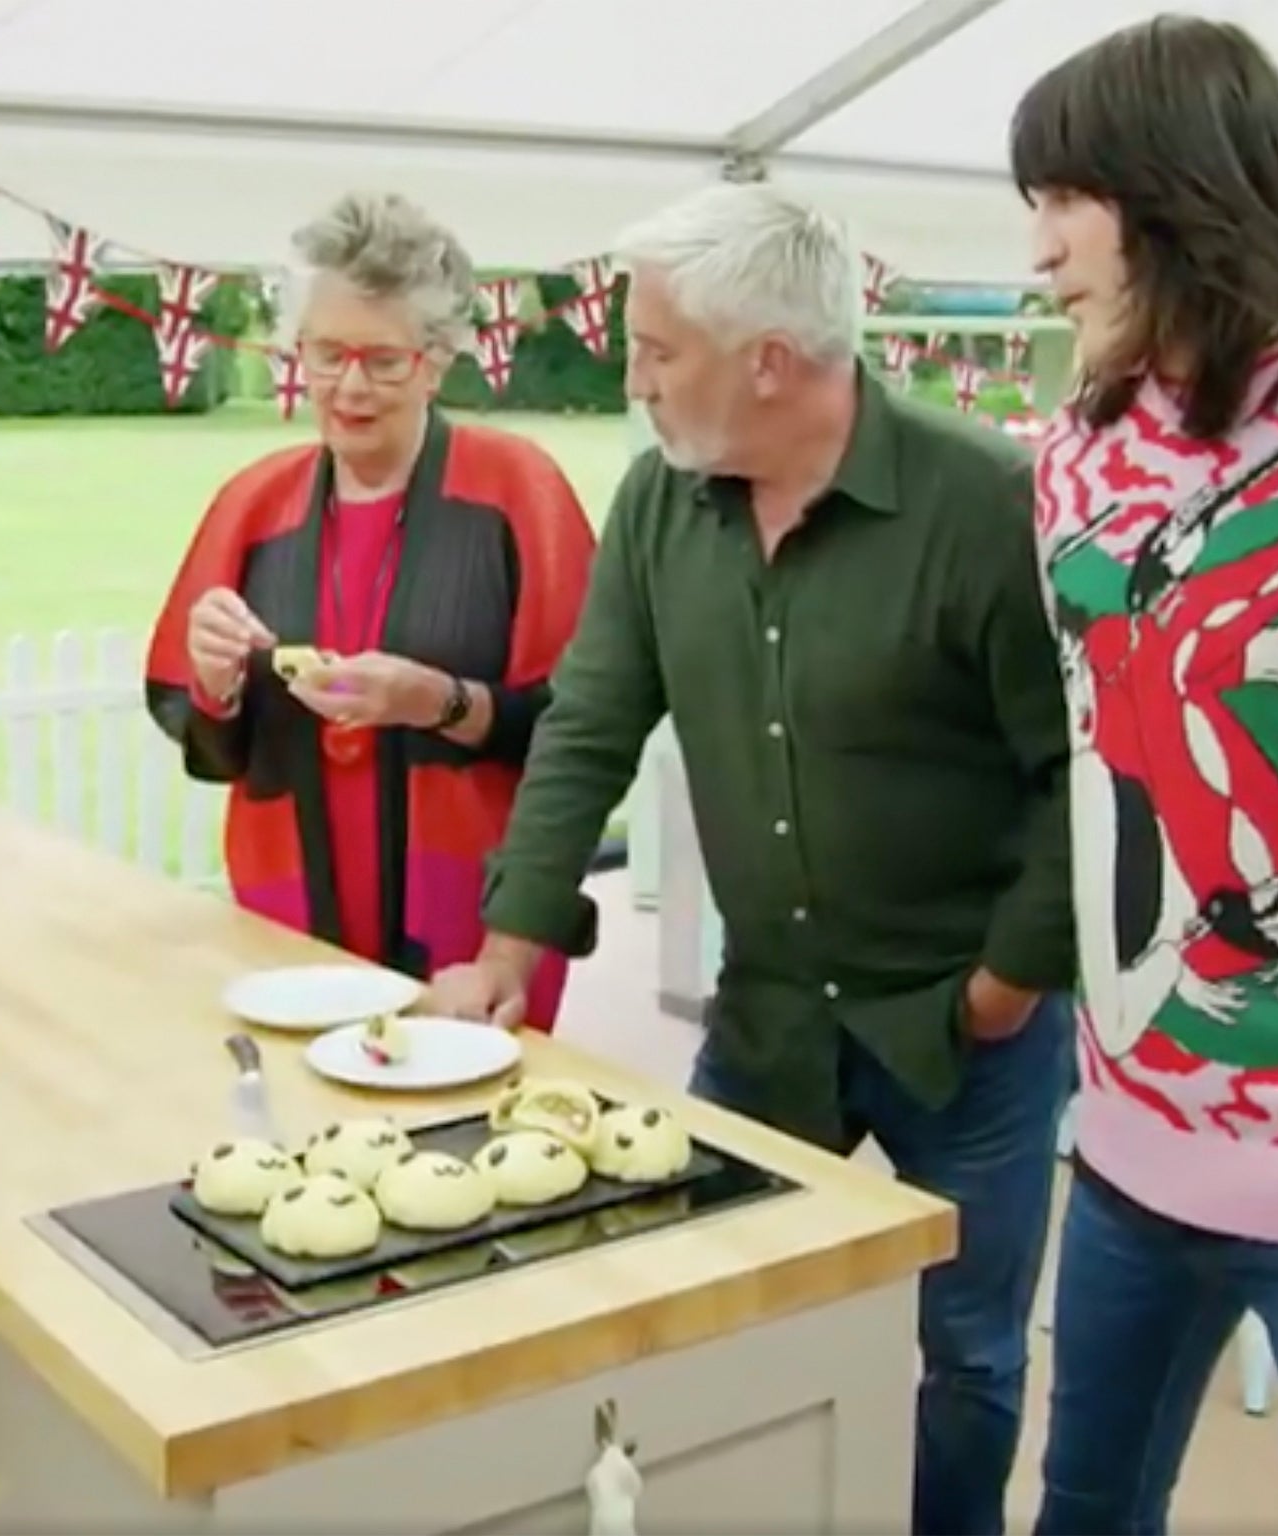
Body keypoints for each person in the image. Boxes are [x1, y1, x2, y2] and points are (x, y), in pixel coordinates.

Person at [426, 183, 1076, 1536]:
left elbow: (1077, 773)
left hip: (969, 1032)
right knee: (712, 1320)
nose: (635, 378)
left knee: (967, 1356)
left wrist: (1009, 982)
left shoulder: (989, 507)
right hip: (769, 1014)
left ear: (769, 361)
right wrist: (508, 945)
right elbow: (593, 719)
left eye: (659, 350)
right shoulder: (663, 506)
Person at [1012, 18, 1278, 1535]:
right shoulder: (1073, 456)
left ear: (1174, 194)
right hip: (1130, 1143)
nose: (1038, 255)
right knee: (1087, 1509)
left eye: (1059, 204)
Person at [144, 192, 598, 1028]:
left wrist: (441, 703)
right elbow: (207, 744)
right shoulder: (253, 503)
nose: (349, 386)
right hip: (288, 911)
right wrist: (219, 686)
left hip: (472, 921)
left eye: (383, 360)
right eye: (326, 354)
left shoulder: (517, 492)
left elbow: (584, 726)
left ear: (436, 359)